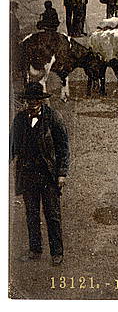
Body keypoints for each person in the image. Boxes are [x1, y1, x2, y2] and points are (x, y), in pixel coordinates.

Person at [11, 82, 69, 265]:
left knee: (52, 214)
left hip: (48, 175)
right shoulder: (19, 119)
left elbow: (63, 148)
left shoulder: (54, 118)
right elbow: (11, 146)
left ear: (42, 101)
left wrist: (62, 173)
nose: (33, 103)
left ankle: (56, 253)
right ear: (25, 101)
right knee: (32, 213)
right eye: (29, 100)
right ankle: (35, 250)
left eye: (36, 99)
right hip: (27, 174)